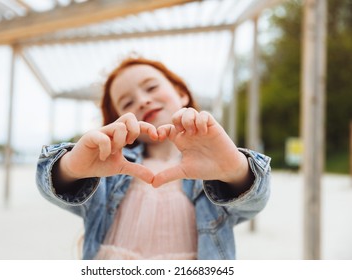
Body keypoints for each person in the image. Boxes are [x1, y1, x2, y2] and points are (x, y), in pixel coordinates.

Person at [36, 56, 271, 260]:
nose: (142, 100)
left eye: (151, 87)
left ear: (181, 94)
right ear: (118, 119)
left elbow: (252, 204)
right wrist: (70, 169)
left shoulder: (211, 170)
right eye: (127, 102)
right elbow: (53, 189)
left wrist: (236, 172)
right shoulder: (109, 168)